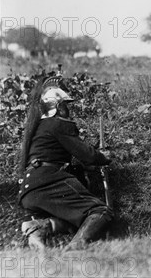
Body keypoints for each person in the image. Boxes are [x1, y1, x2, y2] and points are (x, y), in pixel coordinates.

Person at [18, 73, 113, 250]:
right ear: (57, 105)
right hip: (47, 182)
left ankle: (39, 227)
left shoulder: (39, 127)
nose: (67, 110)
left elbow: (61, 155)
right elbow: (88, 155)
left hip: (29, 189)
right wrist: (104, 157)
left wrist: (91, 162)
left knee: (77, 220)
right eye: (65, 105)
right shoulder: (57, 124)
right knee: (101, 212)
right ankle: (72, 252)